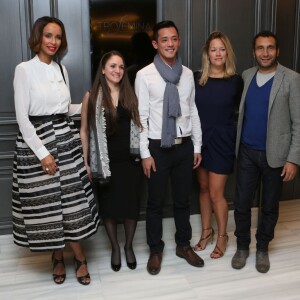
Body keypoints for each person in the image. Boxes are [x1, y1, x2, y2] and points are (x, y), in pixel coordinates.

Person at [12, 16, 100, 285]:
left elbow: (63, 110)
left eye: (58, 37)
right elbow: (22, 118)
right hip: (37, 144)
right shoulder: (24, 69)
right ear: (38, 37)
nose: (53, 41)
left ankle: (79, 257)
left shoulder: (63, 70)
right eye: (48, 35)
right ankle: (58, 257)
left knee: (71, 204)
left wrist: (87, 102)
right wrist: (43, 153)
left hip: (66, 140)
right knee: (49, 207)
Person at [135, 20, 204, 275]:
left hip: (184, 147)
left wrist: (197, 146)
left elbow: (193, 110)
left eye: (174, 38)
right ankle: (156, 249)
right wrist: (144, 153)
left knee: (183, 201)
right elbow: (141, 118)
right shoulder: (144, 75)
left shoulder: (187, 74)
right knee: (154, 202)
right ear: (155, 44)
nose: (170, 44)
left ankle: (183, 245)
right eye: (164, 40)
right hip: (157, 148)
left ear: (179, 41)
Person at [231, 31, 300, 273]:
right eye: (260, 48)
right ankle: (242, 247)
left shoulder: (291, 79)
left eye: (270, 47)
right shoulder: (247, 76)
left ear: (277, 51)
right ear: (254, 52)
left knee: (270, 205)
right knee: (241, 204)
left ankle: (262, 248)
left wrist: (293, 158)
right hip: (247, 152)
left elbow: (298, 123)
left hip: (276, 155)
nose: (265, 52)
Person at [80, 50, 143, 272]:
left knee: (130, 206)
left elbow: (141, 125)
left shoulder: (131, 93)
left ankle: (128, 246)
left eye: (121, 67)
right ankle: (115, 247)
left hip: (130, 161)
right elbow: (85, 131)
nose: (118, 71)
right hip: (104, 163)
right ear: (103, 69)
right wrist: (87, 162)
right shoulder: (91, 96)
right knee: (108, 207)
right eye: (113, 66)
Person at [193, 32, 243, 258]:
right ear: (207, 53)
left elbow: (241, 113)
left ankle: (223, 235)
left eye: (222, 49)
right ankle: (207, 232)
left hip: (223, 140)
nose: (218, 53)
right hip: (200, 140)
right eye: (213, 49)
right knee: (203, 189)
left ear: (228, 52)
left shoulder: (236, 81)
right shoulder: (196, 78)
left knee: (216, 193)